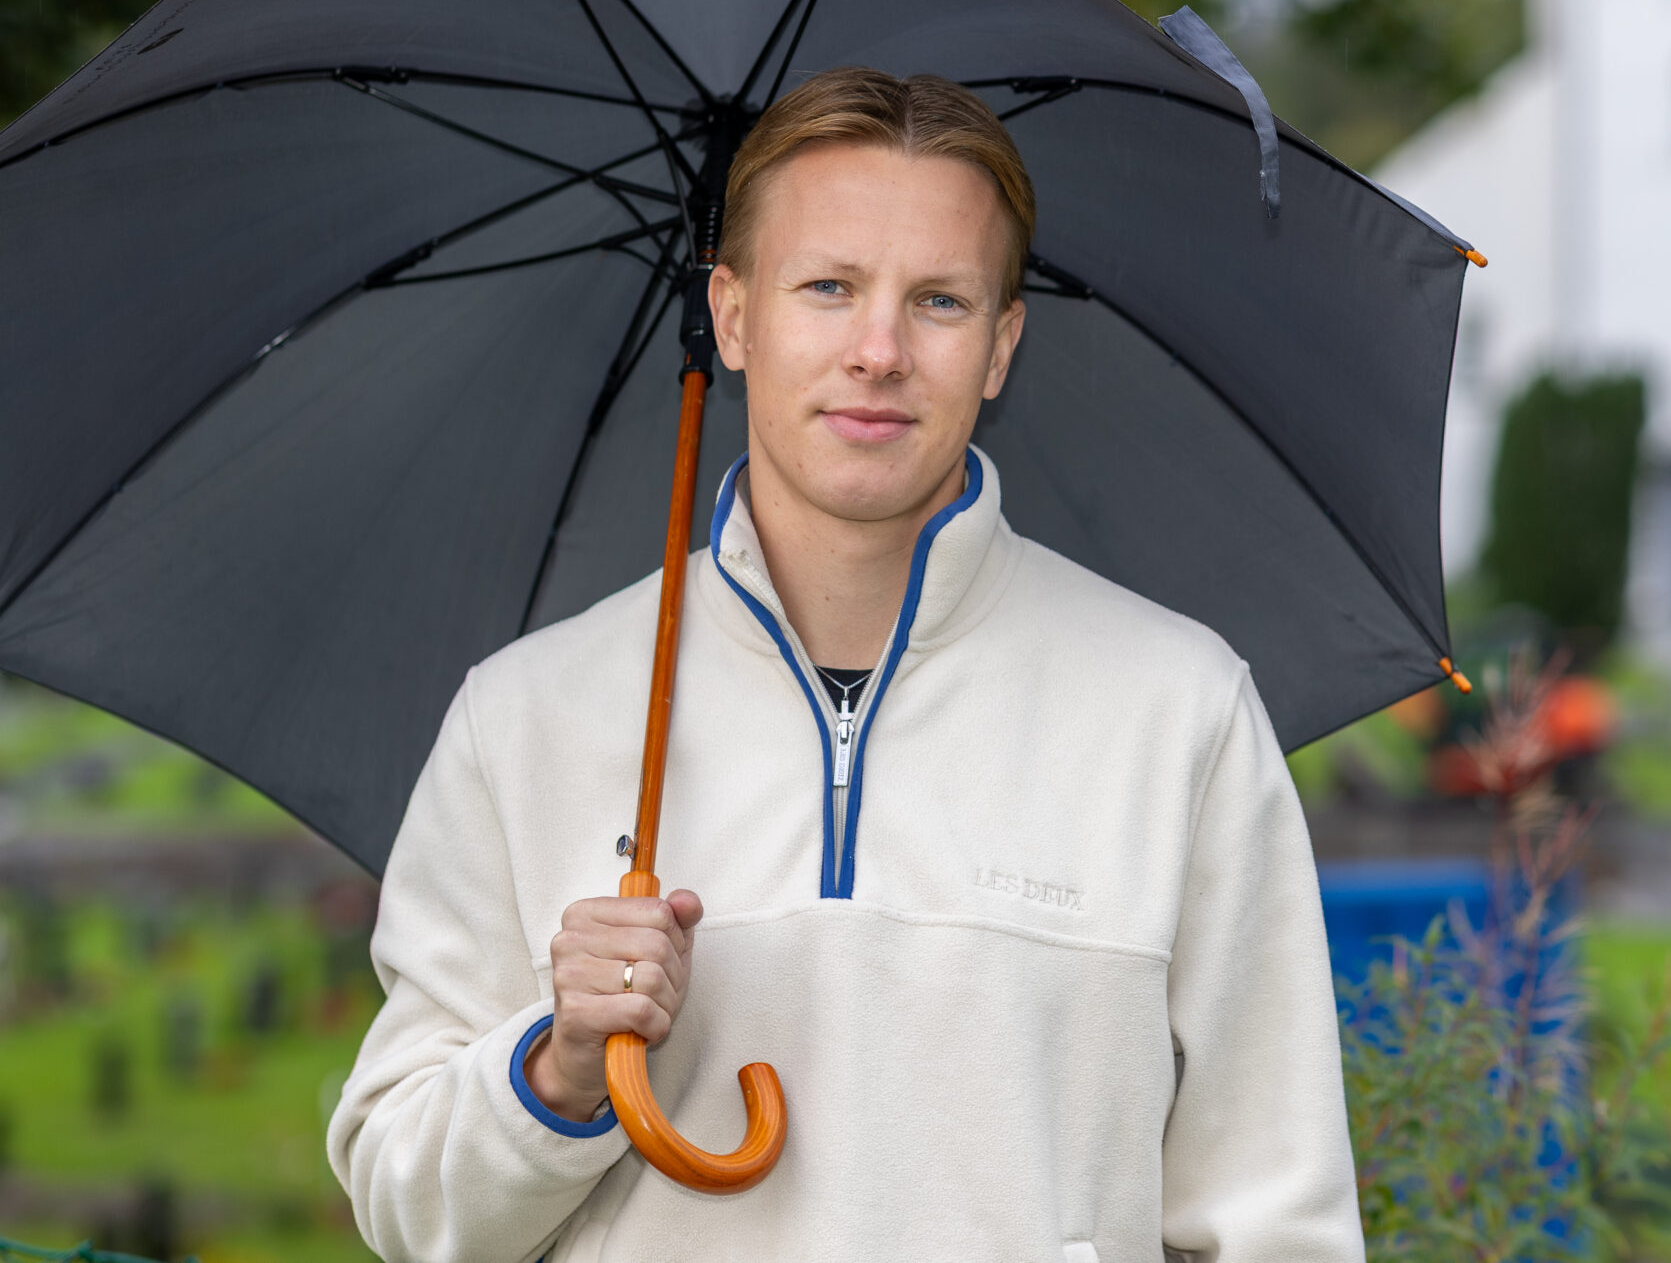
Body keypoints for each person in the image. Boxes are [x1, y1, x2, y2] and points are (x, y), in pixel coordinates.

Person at [328, 68, 1363, 1262]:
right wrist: (558, 1069)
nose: (878, 351)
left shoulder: (1178, 713)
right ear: (731, 316)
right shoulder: (523, 718)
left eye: (937, 301)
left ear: (1000, 344)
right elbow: (406, 1211)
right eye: (826, 288)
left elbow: (1276, 1221)